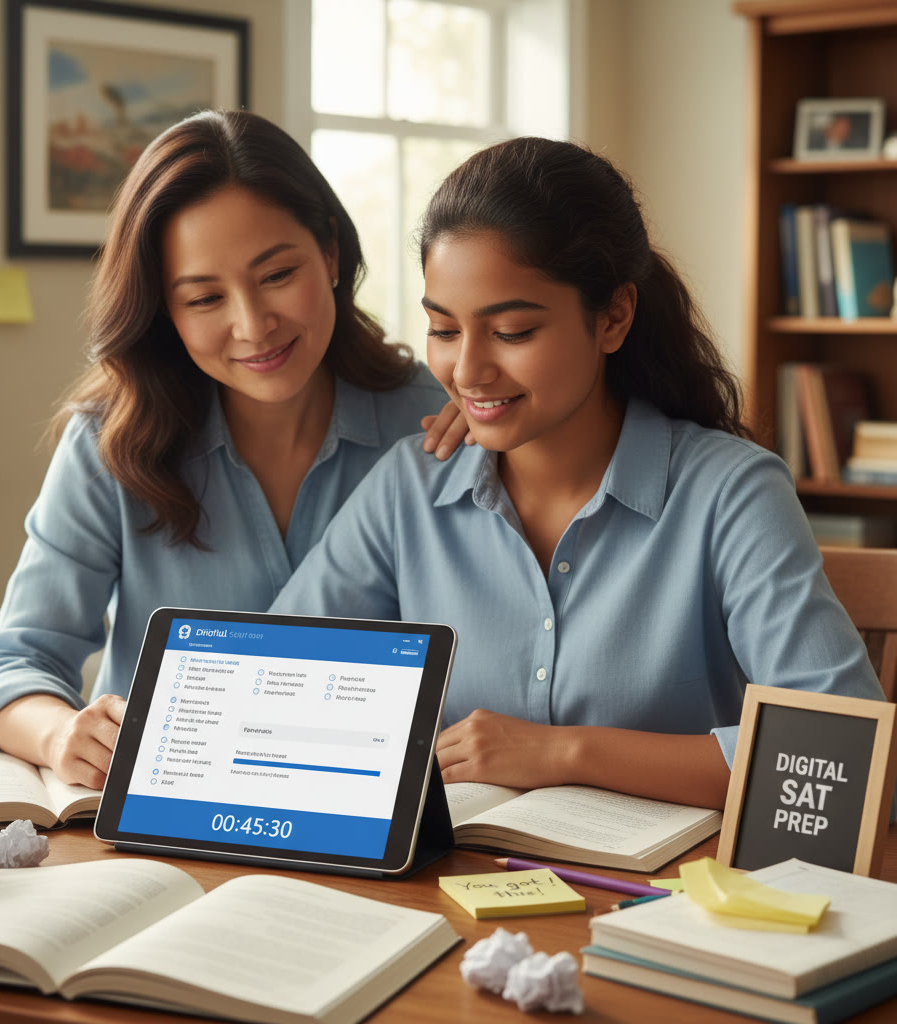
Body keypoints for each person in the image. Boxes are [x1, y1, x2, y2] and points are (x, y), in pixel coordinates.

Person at [270, 136, 887, 810]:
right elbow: (276, 685)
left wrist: (562, 751)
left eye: (511, 332)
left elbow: (840, 752)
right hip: (458, 890)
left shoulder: (730, 493)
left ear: (613, 317)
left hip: (668, 901)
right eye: (445, 330)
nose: (468, 371)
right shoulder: (409, 487)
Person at [0, 110, 470, 788]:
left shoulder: (435, 422)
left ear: (328, 251)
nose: (253, 325)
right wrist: (60, 733)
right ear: (163, 312)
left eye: (276, 275)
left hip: (368, 823)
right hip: (160, 821)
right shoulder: (108, 442)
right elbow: (13, 661)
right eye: (204, 297)